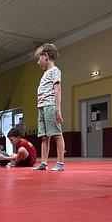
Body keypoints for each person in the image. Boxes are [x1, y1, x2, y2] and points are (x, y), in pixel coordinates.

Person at [32, 43, 65, 171]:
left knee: (57, 134)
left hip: (50, 106)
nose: (38, 62)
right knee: (44, 137)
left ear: (45, 56)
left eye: (38, 58)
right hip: (41, 106)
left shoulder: (55, 71)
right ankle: (44, 163)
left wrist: (58, 110)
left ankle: (60, 163)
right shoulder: (46, 74)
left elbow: (58, 90)